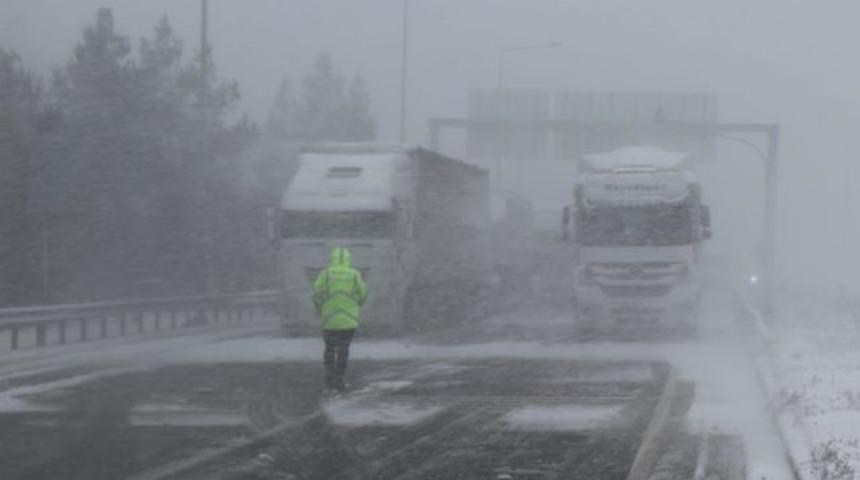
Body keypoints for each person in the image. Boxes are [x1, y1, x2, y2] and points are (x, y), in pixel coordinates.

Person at [313, 246, 367, 392]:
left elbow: (316, 293)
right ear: (348, 259)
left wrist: (319, 310)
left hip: (330, 320)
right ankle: (339, 379)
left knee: (329, 348)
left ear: (333, 259)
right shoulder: (354, 274)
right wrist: (357, 305)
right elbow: (363, 294)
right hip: (348, 321)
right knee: (344, 350)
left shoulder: (325, 275)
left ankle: (329, 376)